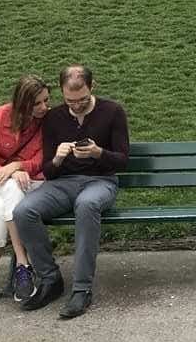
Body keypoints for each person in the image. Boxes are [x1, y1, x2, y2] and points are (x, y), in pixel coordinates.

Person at [13, 65, 129, 319]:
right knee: (23, 210)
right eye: (69, 101)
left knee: (87, 205)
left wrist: (99, 153)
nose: (76, 106)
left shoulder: (112, 111)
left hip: (100, 181)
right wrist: (56, 159)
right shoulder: (54, 117)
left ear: (92, 86)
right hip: (62, 183)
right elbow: (49, 171)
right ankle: (50, 279)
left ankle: (82, 289)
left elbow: (122, 161)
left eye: (82, 100)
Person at [0, 76, 50, 305]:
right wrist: (10, 172)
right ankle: (23, 264)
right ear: (21, 104)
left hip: (31, 183)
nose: (44, 107)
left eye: (46, 100)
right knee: (10, 187)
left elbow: (42, 160)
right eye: (37, 104)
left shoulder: (47, 121)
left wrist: (17, 166)